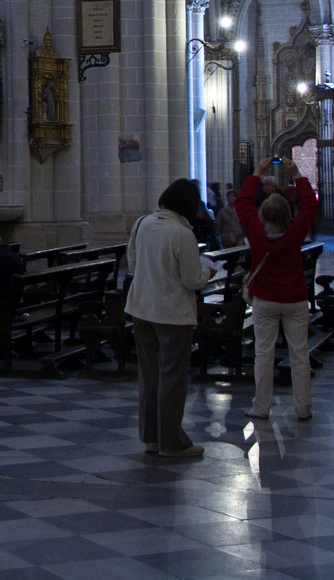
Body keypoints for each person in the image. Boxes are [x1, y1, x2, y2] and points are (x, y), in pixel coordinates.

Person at [125, 178, 217, 459]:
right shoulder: (182, 233)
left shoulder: (142, 224)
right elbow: (192, 280)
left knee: (150, 375)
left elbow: (132, 264)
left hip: (142, 309)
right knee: (173, 378)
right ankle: (172, 442)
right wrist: (208, 272)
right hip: (172, 314)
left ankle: (151, 437)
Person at [237, 156, 319, 421]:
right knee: (299, 354)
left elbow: (242, 203)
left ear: (262, 214)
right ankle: (303, 406)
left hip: (265, 299)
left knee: (264, 354)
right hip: (294, 298)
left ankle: (261, 406)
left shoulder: (256, 233)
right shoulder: (295, 231)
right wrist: (295, 173)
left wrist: (257, 171)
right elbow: (309, 204)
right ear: (287, 214)